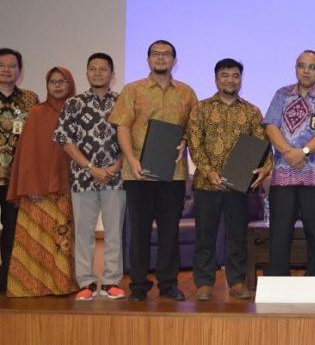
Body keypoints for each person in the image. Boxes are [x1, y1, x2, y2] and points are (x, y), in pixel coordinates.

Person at [108, 40, 197, 301]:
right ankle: (138, 285)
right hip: (138, 172)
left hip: (173, 174)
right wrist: (130, 159)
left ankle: (169, 284)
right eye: (156, 54)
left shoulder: (186, 92)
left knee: (170, 230)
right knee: (139, 230)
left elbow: (194, 126)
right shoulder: (132, 90)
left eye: (166, 54)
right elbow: (122, 126)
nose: (161, 58)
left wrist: (184, 141)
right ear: (148, 60)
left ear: (174, 60)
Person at [187, 58, 272, 301]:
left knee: (237, 235)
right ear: (216, 79)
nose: (230, 80)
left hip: (239, 186)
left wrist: (266, 168)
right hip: (207, 184)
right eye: (225, 75)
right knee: (205, 236)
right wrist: (208, 171)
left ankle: (236, 281)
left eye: (235, 75)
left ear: (240, 80)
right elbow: (195, 144)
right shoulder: (200, 109)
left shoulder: (251, 111)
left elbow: (263, 146)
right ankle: (204, 283)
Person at [53, 53, 126, 301]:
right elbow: (64, 139)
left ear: (112, 74)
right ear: (86, 73)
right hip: (82, 178)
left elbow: (133, 141)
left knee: (114, 232)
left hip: (116, 178)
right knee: (83, 233)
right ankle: (85, 282)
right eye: (93, 69)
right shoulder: (74, 103)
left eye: (103, 69)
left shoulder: (122, 102)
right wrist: (90, 168)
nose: (97, 73)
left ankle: (111, 282)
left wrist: (116, 167)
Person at [262, 50, 315, 277]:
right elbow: (270, 126)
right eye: (302, 66)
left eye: (312, 67)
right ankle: (278, 279)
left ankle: (314, 280)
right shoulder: (282, 94)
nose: (307, 70)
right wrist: (288, 152)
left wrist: (304, 152)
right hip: (284, 175)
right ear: (296, 68)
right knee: (280, 232)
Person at [5, 66, 78, 297]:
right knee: (35, 240)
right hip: (37, 190)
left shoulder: (77, 111)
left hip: (67, 188)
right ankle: (32, 286)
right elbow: (27, 154)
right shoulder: (37, 112)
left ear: (70, 84)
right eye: (52, 82)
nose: (57, 86)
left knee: (63, 238)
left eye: (62, 81)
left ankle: (62, 284)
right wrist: (29, 186)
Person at [0, 48, 39, 293]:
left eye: (12, 66)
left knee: (12, 232)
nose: (6, 70)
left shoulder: (30, 100)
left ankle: (6, 281)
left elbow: (36, 138)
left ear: (20, 71)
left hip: (16, 179)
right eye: (2, 65)